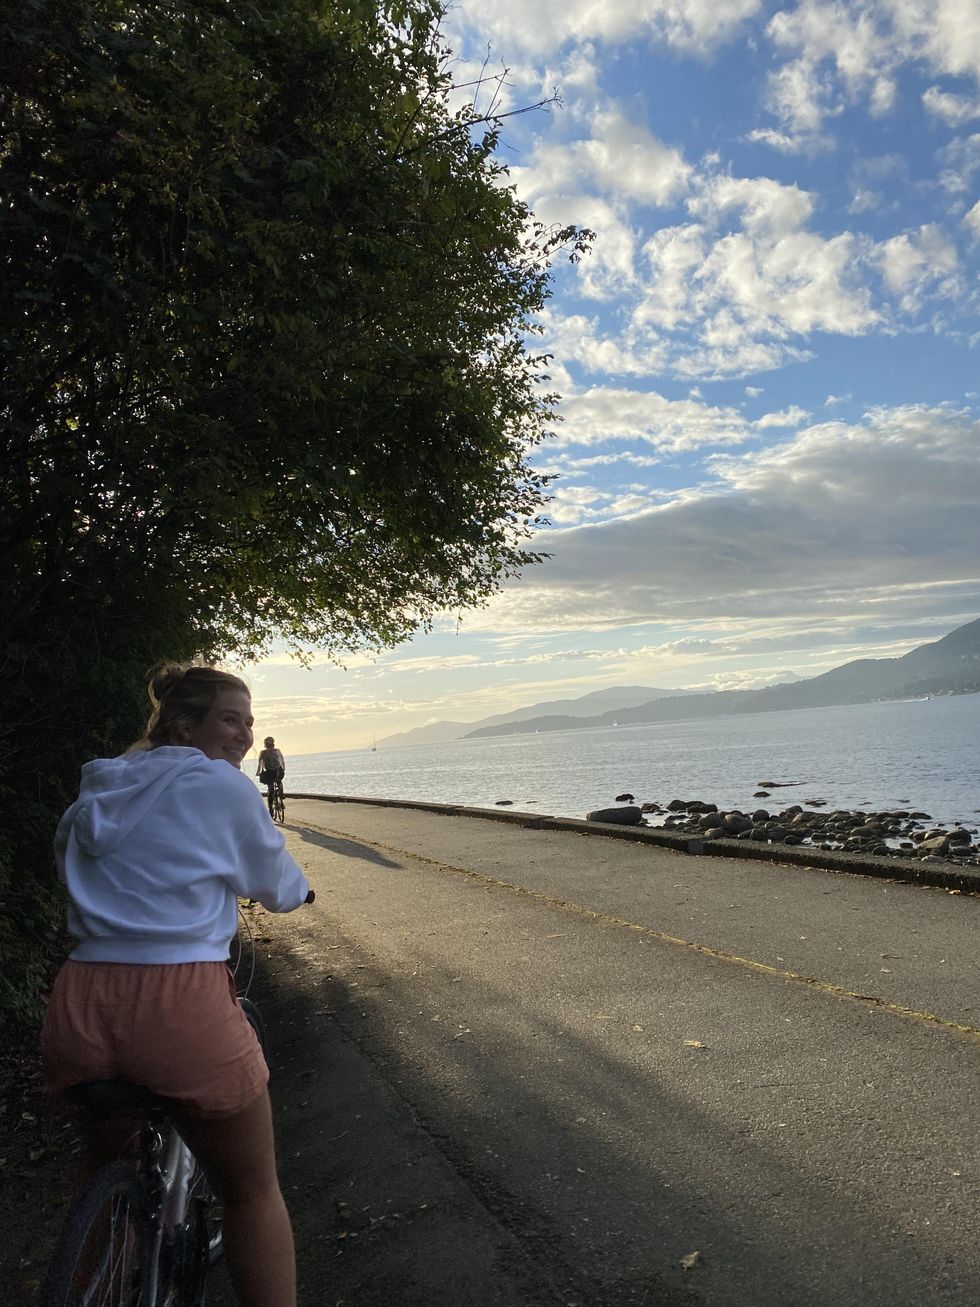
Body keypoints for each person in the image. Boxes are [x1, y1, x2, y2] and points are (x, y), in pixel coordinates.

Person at [41, 664, 313, 1307]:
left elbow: (70, 868)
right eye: (230, 719)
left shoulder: (97, 788)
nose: (245, 735)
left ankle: (98, 1277)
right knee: (251, 1192)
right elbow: (275, 884)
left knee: (102, 1178)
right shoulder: (220, 786)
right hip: (178, 1004)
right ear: (183, 725)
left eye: (249, 722)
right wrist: (299, 891)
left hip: (81, 1002)